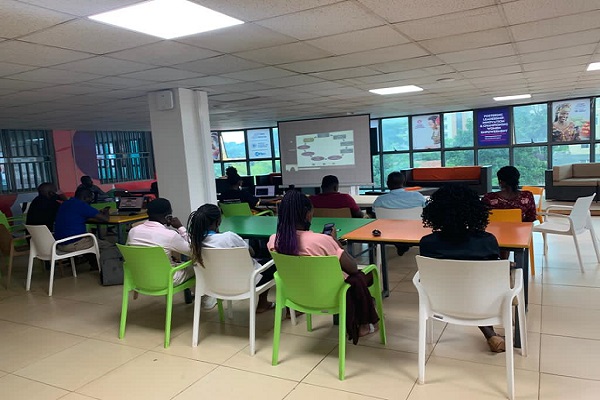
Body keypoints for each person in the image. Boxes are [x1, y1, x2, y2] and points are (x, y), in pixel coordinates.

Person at [267, 190, 379, 341]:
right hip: (334, 296)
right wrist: (335, 241)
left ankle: (365, 311)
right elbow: (352, 267)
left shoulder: (274, 241)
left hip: (297, 297)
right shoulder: (321, 241)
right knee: (364, 275)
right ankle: (367, 319)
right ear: (308, 214)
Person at [420, 184, 505, 353]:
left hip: (441, 303)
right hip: (484, 302)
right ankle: (490, 333)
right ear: (475, 209)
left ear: (435, 211)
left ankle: (490, 334)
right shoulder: (487, 241)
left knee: (460, 282)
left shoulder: (427, 243)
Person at [127, 198, 216, 308]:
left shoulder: (133, 231)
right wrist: (180, 228)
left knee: (179, 264)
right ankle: (206, 300)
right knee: (198, 265)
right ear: (168, 216)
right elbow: (195, 252)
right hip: (165, 280)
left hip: (139, 279)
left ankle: (198, 293)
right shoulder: (169, 235)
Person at [186, 203, 275, 313]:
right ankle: (264, 303)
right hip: (246, 283)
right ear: (218, 222)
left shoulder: (194, 242)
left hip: (214, 285)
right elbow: (251, 252)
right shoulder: (229, 237)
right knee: (273, 263)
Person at [54, 187, 111, 269]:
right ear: (85, 198)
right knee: (108, 245)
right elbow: (105, 219)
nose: (91, 201)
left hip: (59, 244)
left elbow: (78, 217)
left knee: (89, 239)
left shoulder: (65, 203)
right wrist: (106, 211)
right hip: (73, 243)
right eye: (90, 199)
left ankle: (94, 264)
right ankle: (106, 267)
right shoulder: (81, 205)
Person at [373, 171, 426, 256]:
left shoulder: (380, 200)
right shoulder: (418, 196)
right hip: (415, 229)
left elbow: (374, 212)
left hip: (388, 230)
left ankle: (400, 244)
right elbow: (426, 209)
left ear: (387, 184)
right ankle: (404, 244)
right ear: (403, 183)